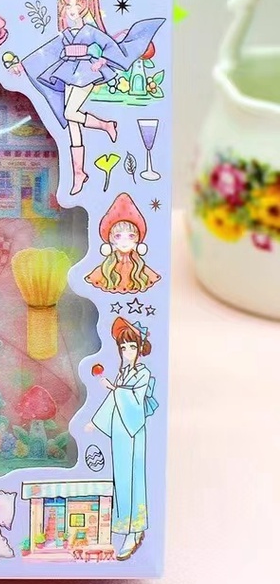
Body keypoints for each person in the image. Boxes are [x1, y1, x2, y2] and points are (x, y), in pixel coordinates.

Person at [22, 0, 163, 194]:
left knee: (70, 113)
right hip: (68, 70)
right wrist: (22, 64)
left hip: (87, 72)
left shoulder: (91, 31)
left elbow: (110, 46)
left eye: (76, 4)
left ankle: (105, 125)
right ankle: (79, 173)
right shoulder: (65, 34)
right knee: (72, 124)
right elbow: (46, 52)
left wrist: (101, 60)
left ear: (84, 6)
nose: (72, 10)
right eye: (68, 5)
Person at [90, 316, 158, 560]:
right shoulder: (123, 373)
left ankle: (135, 530)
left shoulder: (143, 373)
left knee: (133, 478)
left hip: (133, 430)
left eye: (132, 347)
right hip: (120, 431)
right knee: (121, 479)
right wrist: (94, 422)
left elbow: (133, 402)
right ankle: (124, 527)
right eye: (123, 347)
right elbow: (115, 399)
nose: (127, 352)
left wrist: (114, 389)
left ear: (140, 349)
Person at [85, 192, 161, 293]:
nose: (124, 241)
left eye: (131, 236)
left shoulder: (140, 267)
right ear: (110, 239)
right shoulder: (108, 266)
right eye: (118, 236)